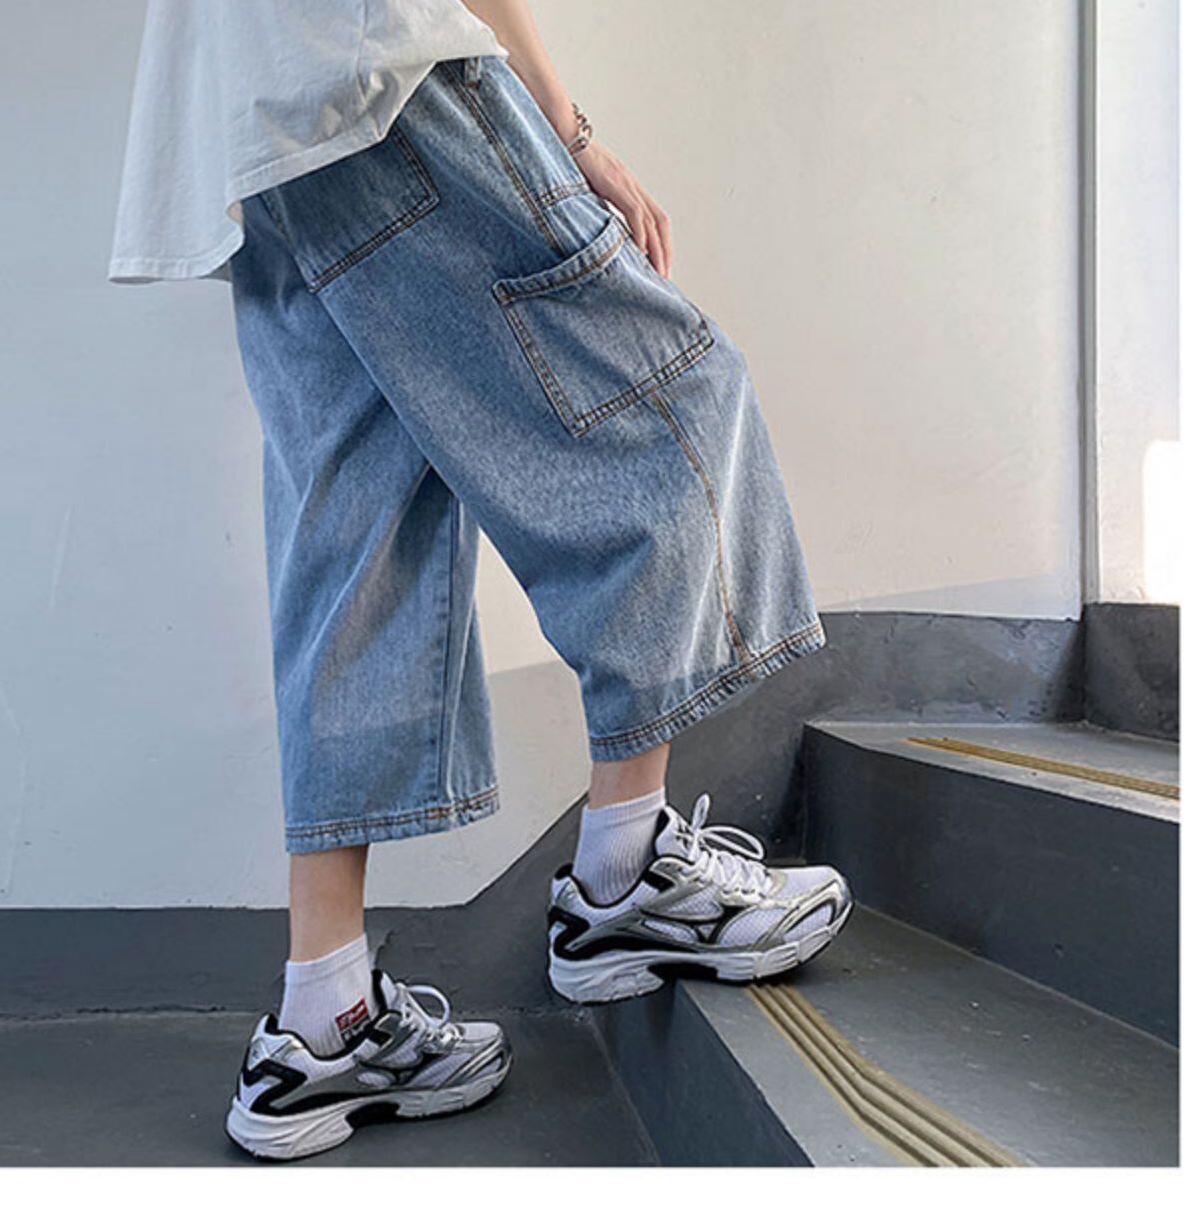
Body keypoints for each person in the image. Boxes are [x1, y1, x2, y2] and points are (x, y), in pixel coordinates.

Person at [110, 0, 851, 1161]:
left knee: (354, 530)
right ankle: (627, 874)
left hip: (252, 125)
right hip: (382, 79)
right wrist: (571, 130)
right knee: (671, 398)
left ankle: (324, 1010)